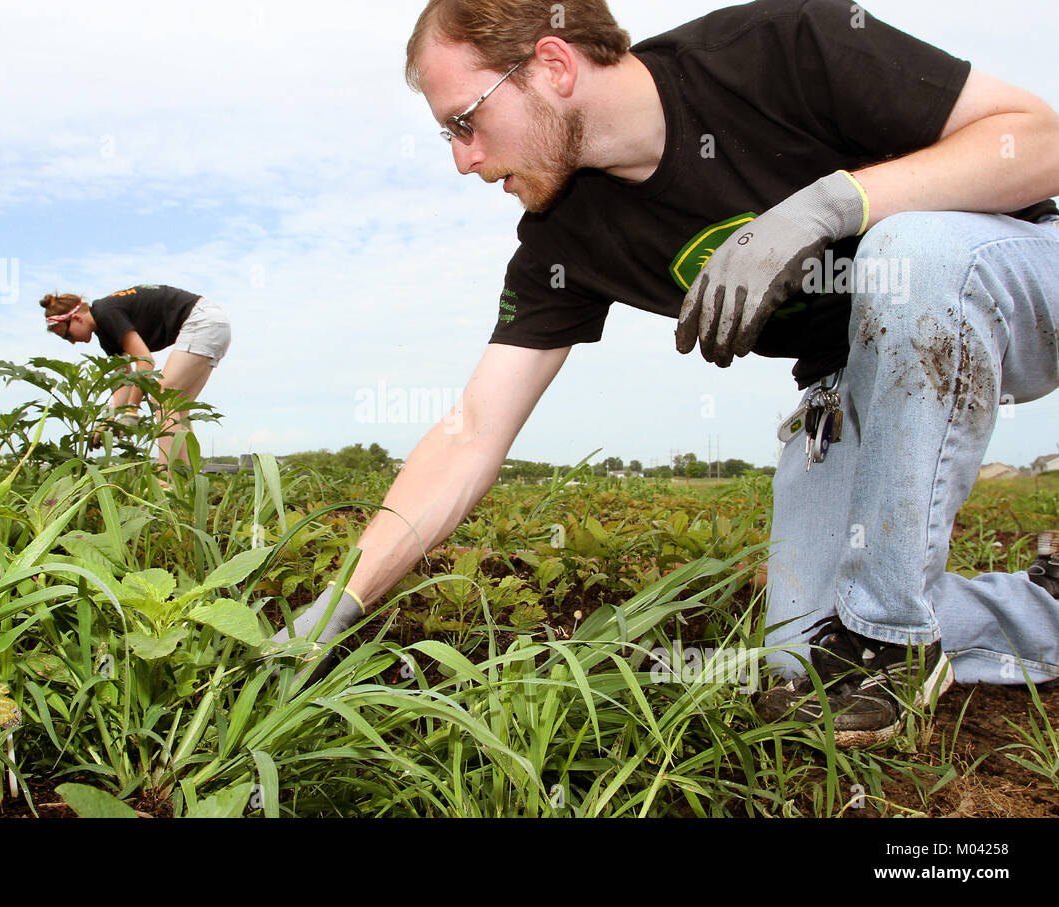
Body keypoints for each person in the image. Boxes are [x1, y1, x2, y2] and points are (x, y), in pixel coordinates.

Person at [271, 0, 1059, 747]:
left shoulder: (780, 46)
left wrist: (828, 206)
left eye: (465, 122)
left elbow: (1038, 138)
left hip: (1015, 275)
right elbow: (472, 431)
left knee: (908, 255)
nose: (462, 160)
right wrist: (338, 601)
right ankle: (1037, 610)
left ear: (552, 63)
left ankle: (894, 644)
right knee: (803, 659)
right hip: (856, 381)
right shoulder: (563, 238)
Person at [41, 285, 231, 471]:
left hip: (201, 321)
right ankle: (185, 479)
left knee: (162, 396)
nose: (72, 342)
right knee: (178, 406)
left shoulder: (106, 314)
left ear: (75, 318)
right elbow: (125, 380)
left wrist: (132, 409)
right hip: (212, 322)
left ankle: (166, 479)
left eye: (66, 335)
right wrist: (107, 417)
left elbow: (145, 362)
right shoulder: (105, 333)